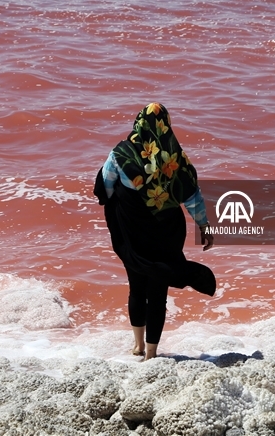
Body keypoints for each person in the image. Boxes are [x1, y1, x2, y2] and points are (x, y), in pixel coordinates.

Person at [93, 102, 215, 361]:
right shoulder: (175, 158)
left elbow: (106, 186)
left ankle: (137, 345)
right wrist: (203, 225)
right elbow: (192, 196)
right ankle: (151, 353)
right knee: (158, 294)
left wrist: (129, 205)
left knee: (136, 288)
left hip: (133, 232)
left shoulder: (121, 154)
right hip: (167, 232)